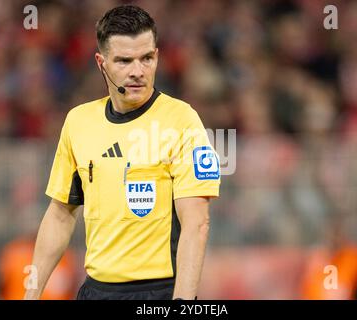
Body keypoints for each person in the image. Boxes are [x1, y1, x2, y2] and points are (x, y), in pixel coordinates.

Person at [24, 4, 220, 300]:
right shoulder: (79, 122)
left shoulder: (182, 121)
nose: (138, 71)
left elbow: (197, 222)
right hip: (95, 289)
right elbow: (60, 213)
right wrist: (31, 293)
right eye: (124, 61)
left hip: (156, 293)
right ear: (101, 63)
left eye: (147, 58)